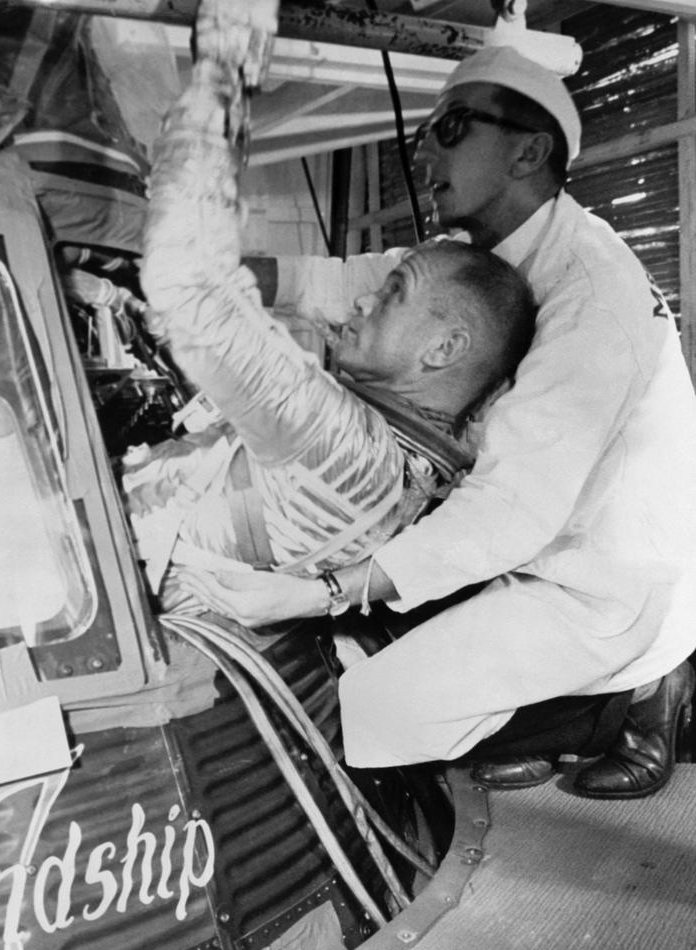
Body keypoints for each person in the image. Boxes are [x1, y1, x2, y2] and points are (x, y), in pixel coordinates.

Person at [183, 44, 696, 800]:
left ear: (529, 152)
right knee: (355, 645)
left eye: (451, 128)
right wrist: (215, 274)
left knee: (365, 703)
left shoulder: (593, 296)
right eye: (425, 132)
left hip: (594, 581)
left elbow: (512, 508)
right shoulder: (485, 248)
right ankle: (528, 708)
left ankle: (620, 702)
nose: (424, 152)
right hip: (517, 546)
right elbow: (363, 281)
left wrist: (327, 591)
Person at [124, 54, 534, 615]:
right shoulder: (404, 474)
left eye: (392, 293)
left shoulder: (347, 448)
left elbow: (186, 282)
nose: (364, 301)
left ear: (444, 349)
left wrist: (210, 98)